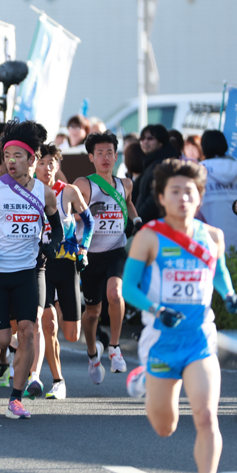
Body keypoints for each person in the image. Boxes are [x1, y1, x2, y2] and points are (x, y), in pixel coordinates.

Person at [122, 158, 237, 473]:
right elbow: (129, 289)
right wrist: (157, 309)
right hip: (161, 341)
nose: (182, 197)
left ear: (200, 195)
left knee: (206, 416)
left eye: (189, 191)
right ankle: (143, 378)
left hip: (199, 340)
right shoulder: (149, 237)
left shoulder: (213, 236)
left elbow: (218, 273)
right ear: (161, 196)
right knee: (165, 427)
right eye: (174, 191)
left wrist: (230, 295)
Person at [0, 121, 64, 419]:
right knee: (1, 341)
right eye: (7, 156)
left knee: (29, 330)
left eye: (18, 156)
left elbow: (56, 229)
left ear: (32, 159)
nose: (11, 161)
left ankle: (16, 399)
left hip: (28, 271)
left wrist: (51, 245)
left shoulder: (45, 194)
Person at [73, 132, 140, 385]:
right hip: (89, 254)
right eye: (99, 153)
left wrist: (136, 219)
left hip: (115, 250)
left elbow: (129, 204)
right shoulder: (83, 184)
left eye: (110, 152)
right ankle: (92, 353)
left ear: (116, 155)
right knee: (92, 313)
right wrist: (83, 215)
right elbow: (69, 213)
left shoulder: (125, 184)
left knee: (115, 294)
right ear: (91, 157)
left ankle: (114, 347)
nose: (105, 157)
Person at [35, 143, 93, 400]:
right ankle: (58, 381)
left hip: (67, 264)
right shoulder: (27, 193)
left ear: (57, 167)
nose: (46, 168)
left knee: (72, 334)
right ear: (33, 165)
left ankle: (94, 347)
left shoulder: (67, 192)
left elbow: (89, 221)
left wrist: (84, 250)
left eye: (51, 163)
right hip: (41, 265)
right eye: (41, 163)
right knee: (48, 324)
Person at [199, 130, 237, 254]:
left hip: (207, 231)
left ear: (203, 147)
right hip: (235, 228)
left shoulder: (199, 170)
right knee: (235, 263)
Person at [134, 124, 179, 223]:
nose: (145, 142)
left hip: (156, 225)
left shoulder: (163, 164)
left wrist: (137, 220)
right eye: (142, 138)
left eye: (150, 138)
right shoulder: (150, 162)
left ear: (160, 143)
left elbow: (153, 200)